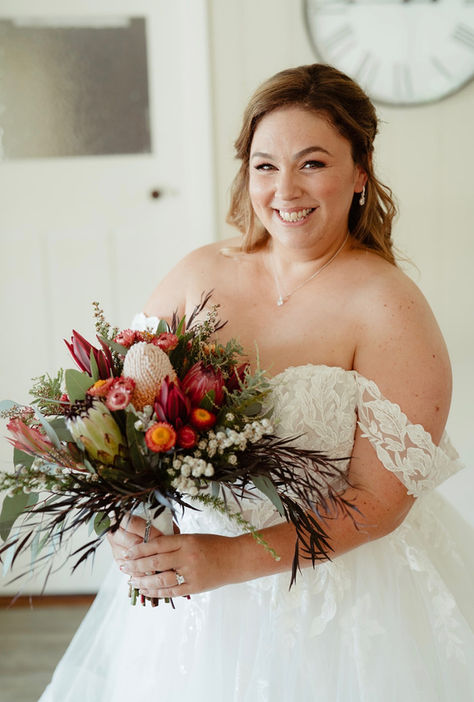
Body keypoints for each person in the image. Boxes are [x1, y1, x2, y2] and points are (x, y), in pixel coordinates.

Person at [39, 63, 474, 701]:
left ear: (360, 171)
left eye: (312, 163)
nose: (285, 190)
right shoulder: (197, 274)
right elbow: (124, 416)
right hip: (193, 601)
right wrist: (131, 521)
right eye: (265, 165)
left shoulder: (389, 306)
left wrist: (228, 561)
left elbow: (379, 502)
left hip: (341, 603)